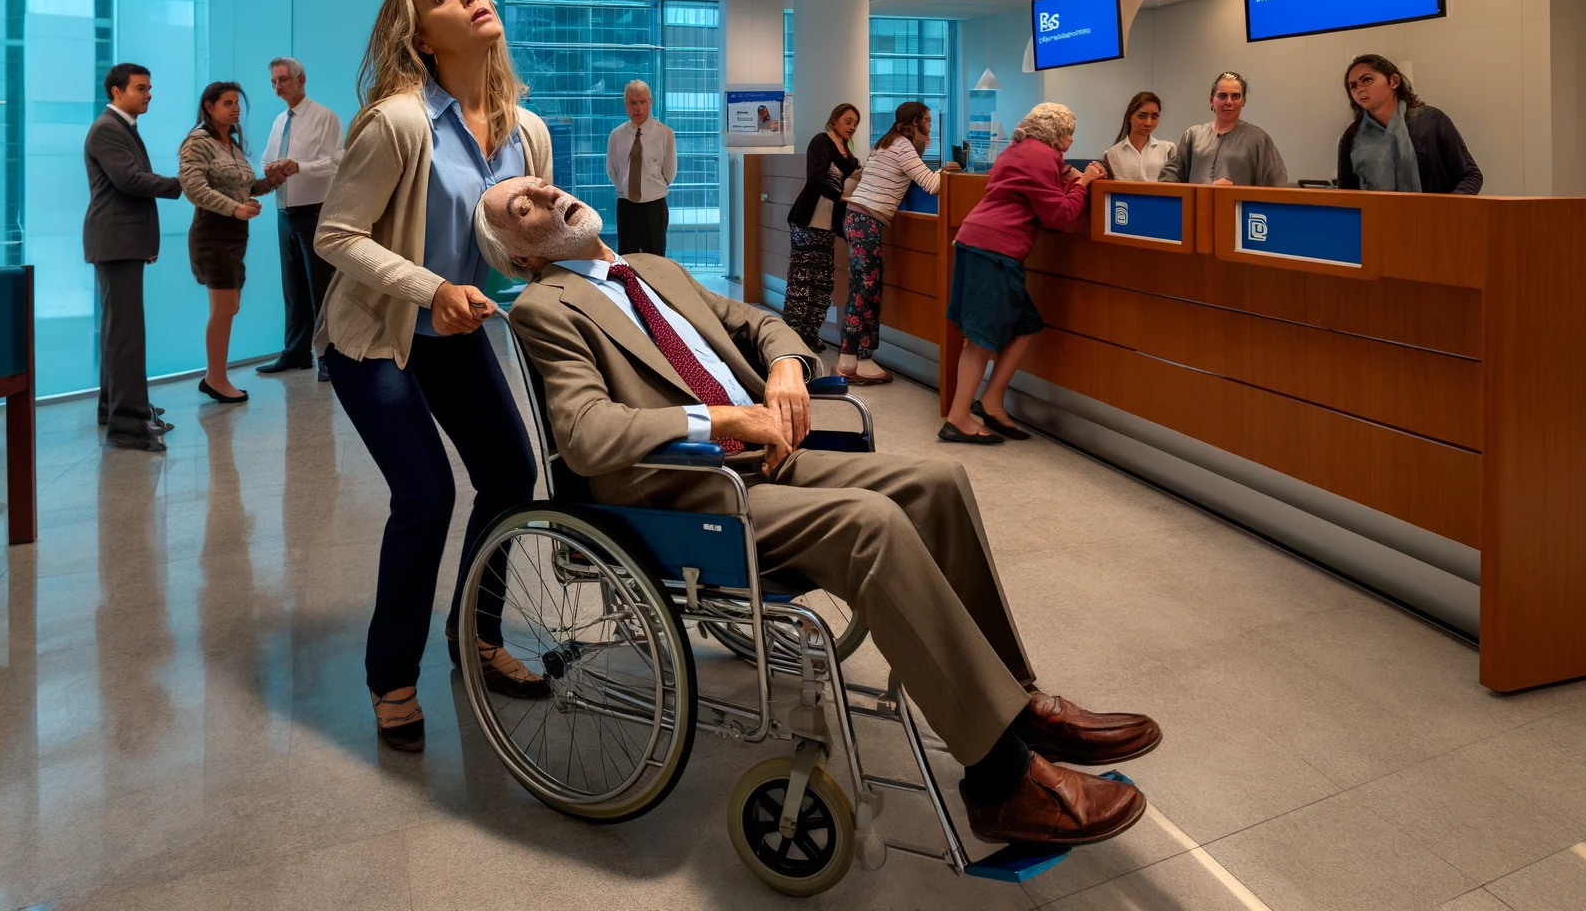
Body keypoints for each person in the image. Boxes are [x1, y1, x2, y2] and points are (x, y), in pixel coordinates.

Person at [474, 175, 1164, 848]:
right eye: (522, 206)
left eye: (538, 183)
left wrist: (784, 368)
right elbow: (588, 435)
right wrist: (722, 417)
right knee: (872, 526)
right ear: (522, 254)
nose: (544, 194)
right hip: (686, 494)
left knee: (940, 482)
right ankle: (999, 781)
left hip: (766, 459)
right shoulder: (546, 307)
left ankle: (1015, 703)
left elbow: (762, 321)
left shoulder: (650, 268)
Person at [311, 0, 555, 753]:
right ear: (420, 36)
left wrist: (554, 258)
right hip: (375, 338)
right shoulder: (399, 121)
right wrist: (430, 289)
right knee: (425, 495)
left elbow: (529, 244)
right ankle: (391, 679)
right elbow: (335, 235)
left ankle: (477, 637)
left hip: (454, 332)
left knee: (510, 476)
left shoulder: (528, 130)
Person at [943, 103, 1102, 445]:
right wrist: (1084, 182)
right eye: (1068, 132)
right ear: (1054, 133)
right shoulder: (1043, 156)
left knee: (1025, 326)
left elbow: (1034, 186)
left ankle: (991, 400)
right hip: (996, 249)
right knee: (982, 338)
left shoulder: (1017, 150)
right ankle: (957, 418)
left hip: (976, 240)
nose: (1071, 140)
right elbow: (1059, 215)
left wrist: (1068, 177)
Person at [83, 62, 182, 453]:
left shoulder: (121, 126)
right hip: (115, 242)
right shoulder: (108, 129)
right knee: (126, 334)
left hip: (120, 242)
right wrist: (183, 183)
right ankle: (127, 425)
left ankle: (117, 408)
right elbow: (131, 180)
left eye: (149, 87)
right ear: (116, 91)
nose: (148, 94)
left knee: (119, 332)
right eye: (141, 88)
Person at [838, 101, 960, 385]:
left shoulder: (887, 142)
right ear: (916, 122)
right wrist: (949, 170)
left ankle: (858, 358)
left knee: (866, 287)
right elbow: (932, 185)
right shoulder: (903, 146)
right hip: (865, 220)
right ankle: (852, 360)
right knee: (866, 289)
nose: (931, 126)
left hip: (858, 218)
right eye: (928, 121)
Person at [179, 81, 282, 406]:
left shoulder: (232, 145)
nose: (236, 108)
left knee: (230, 307)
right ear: (209, 107)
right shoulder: (198, 142)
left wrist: (276, 179)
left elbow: (247, 187)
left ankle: (216, 376)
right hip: (212, 232)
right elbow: (192, 187)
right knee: (224, 308)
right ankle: (215, 378)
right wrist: (234, 208)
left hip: (236, 234)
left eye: (237, 102)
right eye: (227, 103)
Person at [257, 56, 345, 381]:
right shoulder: (279, 121)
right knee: (292, 289)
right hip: (284, 212)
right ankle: (296, 353)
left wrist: (298, 167)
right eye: (273, 82)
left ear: (300, 79)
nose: (278, 87)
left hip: (315, 212)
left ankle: (330, 358)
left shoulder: (325, 117)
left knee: (321, 289)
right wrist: (272, 169)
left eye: (282, 80)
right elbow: (268, 158)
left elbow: (336, 163)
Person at [1336, 54, 1482, 195]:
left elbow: (1471, 175)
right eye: (1353, 86)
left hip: (1432, 216)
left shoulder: (1430, 120)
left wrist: (1445, 210)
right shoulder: (1352, 135)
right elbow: (1345, 192)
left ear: (1394, 81)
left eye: (1367, 80)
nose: (1359, 89)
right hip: (1374, 218)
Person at [781, 103, 861, 352]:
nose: (852, 127)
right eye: (848, 121)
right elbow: (815, 178)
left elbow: (858, 175)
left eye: (855, 123)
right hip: (807, 221)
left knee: (824, 283)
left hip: (828, 227)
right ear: (834, 120)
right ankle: (790, 337)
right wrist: (841, 196)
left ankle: (809, 334)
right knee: (802, 279)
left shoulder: (850, 155)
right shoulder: (821, 142)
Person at [1159, 72, 1288, 187]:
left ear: (1243, 101)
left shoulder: (1258, 139)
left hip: (1238, 211)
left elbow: (1275, 183)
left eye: (1236, 96)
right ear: (1211, 101)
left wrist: (1236, 192)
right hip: (1197, 210)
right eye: (1222, 96)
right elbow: (1170, 176)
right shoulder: (1193, 135)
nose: (1229, 102)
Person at [605, 79, 676, 256]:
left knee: (656, 258)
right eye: (633, 103)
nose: (638, 108)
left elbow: (669, 173)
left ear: (650, 102)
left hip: (655, 206)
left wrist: (651, 187)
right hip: (626, 206)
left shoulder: (665, 134)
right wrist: (625, 187)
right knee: (627, 259)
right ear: (626, 105)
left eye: (643, 102)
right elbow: (613, 170)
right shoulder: (616, 135)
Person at [1102, 91, 1175, 181]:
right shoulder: (1112, 154)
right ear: (1130, 116)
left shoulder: (1168, 149)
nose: (1148, 123)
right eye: (1142, 116)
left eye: (1154, 116)